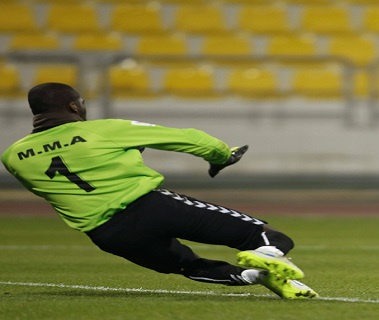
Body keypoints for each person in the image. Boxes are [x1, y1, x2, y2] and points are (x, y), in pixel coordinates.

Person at [1, 82, 318, 299]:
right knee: (267, 236)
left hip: (107, 233)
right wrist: (221, 156)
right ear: (73, 105)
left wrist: (126, 157)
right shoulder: (104, 129)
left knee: (187, 266)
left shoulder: (13, 156)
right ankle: (267, 254)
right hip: (152, 207)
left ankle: (261, 278)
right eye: (82, 104)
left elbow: (64, 183)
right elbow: (187, 137)